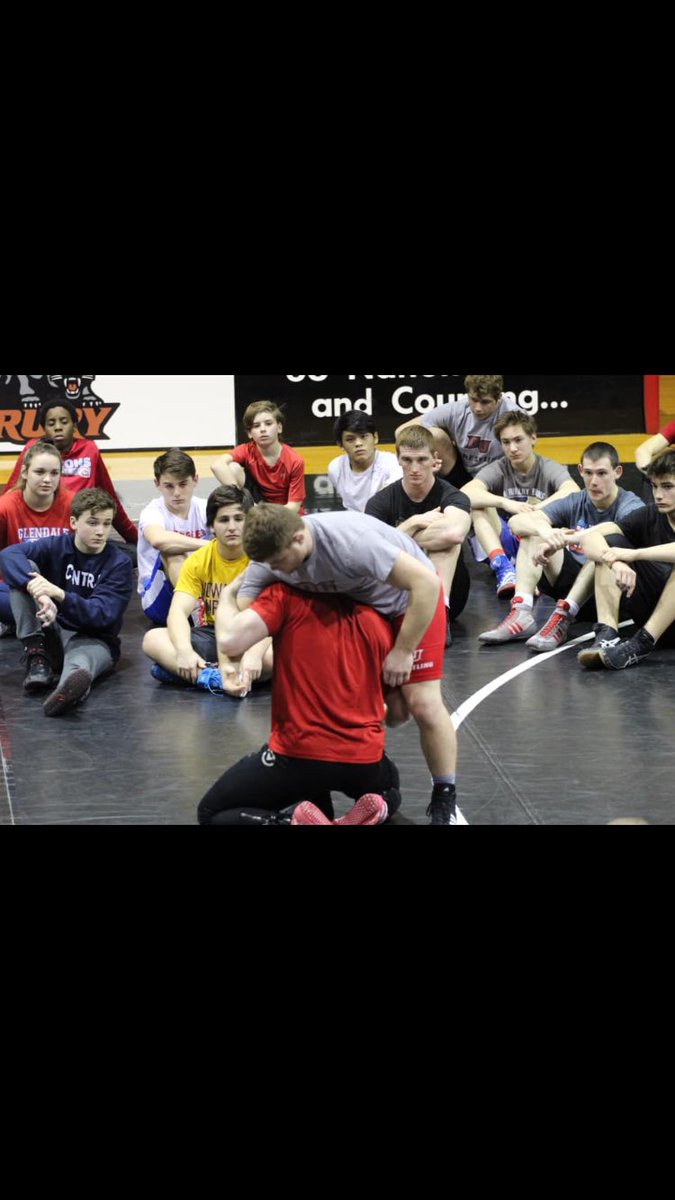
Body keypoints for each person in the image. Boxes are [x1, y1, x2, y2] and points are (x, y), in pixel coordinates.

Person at [233, 505, 460, 825]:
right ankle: (338, 783)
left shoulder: (352, 542)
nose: (276, 570)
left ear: (299, 538)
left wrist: (403, 650)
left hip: (409, 604)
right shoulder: (274, 552)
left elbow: (426, 585)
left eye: (279, 562)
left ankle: (444, 795)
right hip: (368, 610)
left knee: (421, 703)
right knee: (393, 713)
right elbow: (249, 604)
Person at [199, 584, 400, 826]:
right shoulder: (379, 619)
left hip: (296, 757)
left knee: (211, 812)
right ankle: (376, 806)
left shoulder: (285, 597)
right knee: (389, 788)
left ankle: (288, 822)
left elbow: (228, 641)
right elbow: (397, 712)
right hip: (361, 758)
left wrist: (230, 593)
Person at [481, 442, 645, 648]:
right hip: (572, 585)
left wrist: (569, 538)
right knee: (533, 533)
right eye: (588, 473)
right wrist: (547, 532)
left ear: (618, 472)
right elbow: (516, 523)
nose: (594, 481)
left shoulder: (631, 505)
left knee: (601, 548)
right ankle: (522, 612)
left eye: (602, 473)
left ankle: (565, 613)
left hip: (611, 593)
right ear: (580, 471)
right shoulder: (576, 500)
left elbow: (614, 531)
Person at [0, 488, 133, 716]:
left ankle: (66, 692)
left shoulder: (118, 563)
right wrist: (39, 593)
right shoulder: (58, 545)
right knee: (27, 573)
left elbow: (102, 615)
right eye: (92, 523)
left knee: (79, 666)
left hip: (94, 639)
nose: (100, 531)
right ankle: (36, 654)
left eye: (106, 523)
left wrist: (58, 594)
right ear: (73, 522)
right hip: (53, 631)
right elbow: (9, 554)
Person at [142, 485, 272, 696]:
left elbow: (272, 620)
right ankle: (215, 678)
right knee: (152, 640)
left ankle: (188, 675)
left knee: (271, 658)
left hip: (254, 635)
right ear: (211, 526)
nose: (232, 527)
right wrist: (184, 651)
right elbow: (177, 613)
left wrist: (254, 655)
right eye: (223, 520)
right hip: (213, 634)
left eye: (239, 519)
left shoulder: (262, 558)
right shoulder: (199, 560)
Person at [365, 425, 471, 646]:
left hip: (451, 595)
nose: (414, 468)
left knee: (446, 543)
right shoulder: (380, 502)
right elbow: (369, 548)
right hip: (401, 593)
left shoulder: (453, 496)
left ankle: (439, 614)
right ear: (398, 459)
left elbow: (454, 533)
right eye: (407, 460)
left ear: (435, 459)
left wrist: (397, 536)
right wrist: (414, 522)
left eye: (422, 460)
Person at [463, 412, 579, 608]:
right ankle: (503, 567)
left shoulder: (548, 467)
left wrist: (536, 510)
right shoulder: (499, 468)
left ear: (533, 438)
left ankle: (527, 575)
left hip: (539, 544)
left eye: (518, 440)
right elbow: (465, 494)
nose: (513, 448)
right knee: (479, 506)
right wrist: (504, 503)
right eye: (506, 442)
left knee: (535, 526)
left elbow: (573, 490)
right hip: (508, 542)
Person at [575, 450, 675, 670]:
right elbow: (591, 536)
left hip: (656, 631)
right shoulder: (650, 514)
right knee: (610, 543)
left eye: (667, 487)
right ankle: (607, 634)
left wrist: (635, 554)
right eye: (654, 486)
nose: (658, 495)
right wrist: (615, 561)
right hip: (655, 615)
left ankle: (642, 643)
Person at [2, 398, 138, 545]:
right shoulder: (33, 449)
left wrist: (136, 540)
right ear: (44, 428)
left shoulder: (89, 449)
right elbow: (12, 489)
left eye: (64, 421)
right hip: (34, 527)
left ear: (74, 425)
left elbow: (109, 496)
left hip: (79, 530)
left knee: (126, 558)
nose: (58, 427)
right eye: (51, 423)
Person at [395, 375, 520, 488]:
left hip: (500, 477)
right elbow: (401, 431)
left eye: (485, 402)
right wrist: (425, 459)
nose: (477, 408)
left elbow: (526, 455)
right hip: (461, 474)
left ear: (499, 398)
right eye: (474, 400)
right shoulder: (458, 409)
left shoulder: (514, 415)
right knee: (434, 435)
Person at [0, 441, 72, 631]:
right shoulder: (5, 507)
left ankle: (25, 620)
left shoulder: (73, 504)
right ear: (24, 472)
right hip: (17, 589)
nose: (47, 479)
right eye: (40, 472)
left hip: (60, 588)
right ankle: (48, 617)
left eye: (54, 473)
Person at [137, 449, 212, 625]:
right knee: (172, 550)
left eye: (183, 484)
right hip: (160, 597)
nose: (177, 493)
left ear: (195, 480)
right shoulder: (152, 511)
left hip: (205, 589)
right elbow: (159, 540)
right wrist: (209, 545)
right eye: (169, 486)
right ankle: (198, 616)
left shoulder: (206, 507)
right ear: (157, 484)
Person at [211, 401, 306, 512]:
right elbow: (216, 465)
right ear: (249, 433)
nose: (263, 429)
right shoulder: (247, 450)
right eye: (256, 426)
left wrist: (265, 515)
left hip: (285, 513)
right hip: (257, 505)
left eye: (268, 423)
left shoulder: (295, 461)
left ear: (279, 428)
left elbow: (294, 507)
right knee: (232, 468)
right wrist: (242, 499)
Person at [328, 411, 402, 512]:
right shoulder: (335, 468)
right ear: (340, 444)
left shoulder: (393, 464)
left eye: (363, 437)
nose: (358, 443)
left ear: (375, 438)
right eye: (350, 439)